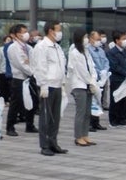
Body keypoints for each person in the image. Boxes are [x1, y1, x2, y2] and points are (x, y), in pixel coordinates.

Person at [31, 22, 68, 156]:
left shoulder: (57, 47)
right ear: (51, 31)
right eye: (58, 30)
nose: (60, 32)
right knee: (46, 117)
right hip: (48, 86)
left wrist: (63, 83)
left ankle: (53, 142)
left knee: (55, 117)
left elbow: (61, 66)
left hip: (57, 85)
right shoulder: (42, 46)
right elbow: (40, 67)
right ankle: (44, 144)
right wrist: (43, 85)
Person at [67, 31, 99, 147]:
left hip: (89, 84)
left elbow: (92, 67)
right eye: (85, 37)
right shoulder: (74, 52)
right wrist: (90, 82)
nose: (87, 39)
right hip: (80, 85)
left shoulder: (86, 51)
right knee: (80, 112)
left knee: (87, 112)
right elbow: (81, 71)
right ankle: (78, 136)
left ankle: (85, 135)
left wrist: (93, 80)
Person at [106, 34, 126, 125]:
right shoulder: (111, 52)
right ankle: (113, 119)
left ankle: (121, 118)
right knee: (116, 99)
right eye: (123, 39)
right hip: (117, 79)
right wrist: (125, 73)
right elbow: (114, 66)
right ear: (117, 40)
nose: (125, 41)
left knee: (124, 99)